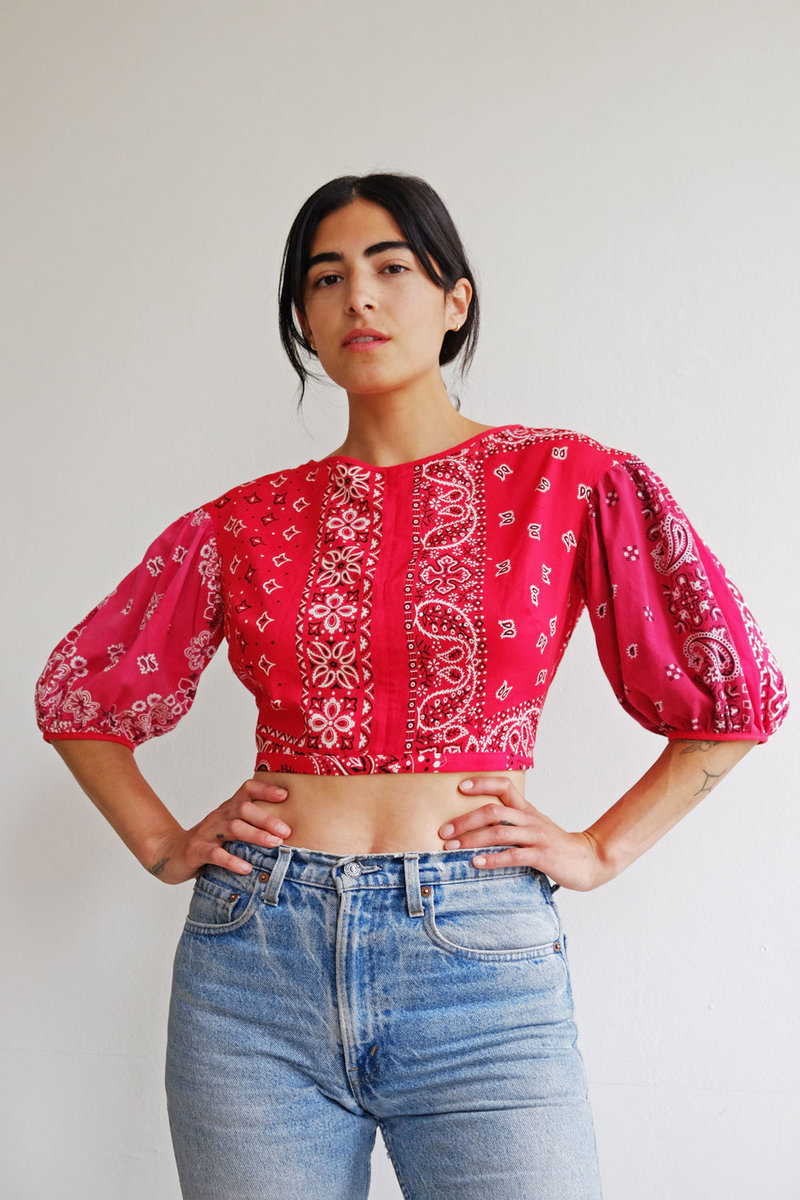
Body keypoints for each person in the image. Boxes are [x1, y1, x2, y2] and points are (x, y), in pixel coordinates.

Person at [36, 172, 788, 1200]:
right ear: (303, 320)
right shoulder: (244, 521)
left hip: (476, 958)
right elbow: (81, 696)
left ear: (454, 299)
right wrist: (164, 845)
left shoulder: (567, 481)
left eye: (391, 267)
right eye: (325, 278)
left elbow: (732, 695)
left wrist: (601, 848)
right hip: (252, 963)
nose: (359, 296)